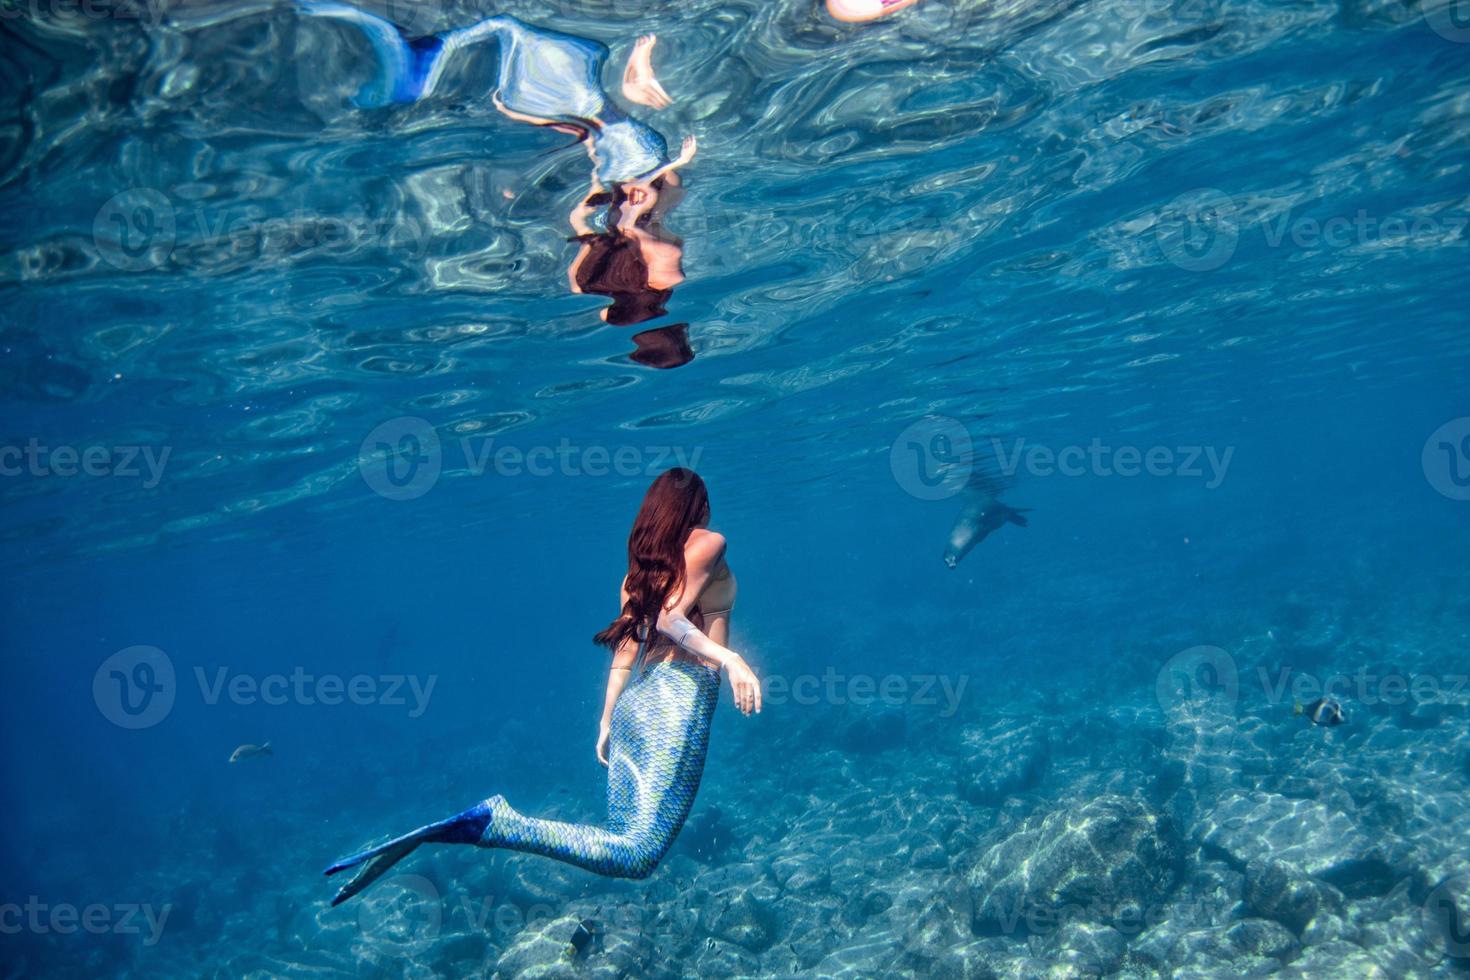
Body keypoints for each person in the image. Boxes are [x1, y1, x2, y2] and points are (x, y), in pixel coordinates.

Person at [323, 468, 760, 906]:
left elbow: (626, 651)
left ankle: (477, 827)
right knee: (638, 854)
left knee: (622, 841)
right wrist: (732, 658)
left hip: (637, 708)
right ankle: (497, 823)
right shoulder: (709, 542)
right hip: (679, 703)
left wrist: (607, 721)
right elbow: (667, 618)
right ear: (695, 506)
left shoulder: (636, 576)